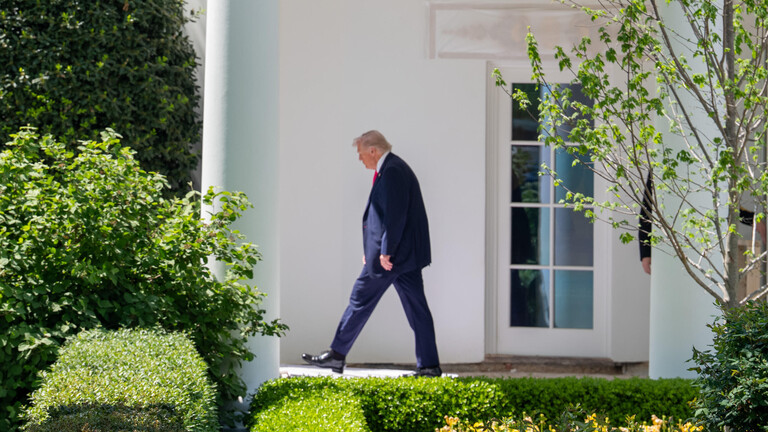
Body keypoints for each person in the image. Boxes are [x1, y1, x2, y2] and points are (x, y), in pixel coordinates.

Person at [302, 130, 442, 377]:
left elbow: (394, 216)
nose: (360, 159)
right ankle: (429, 366)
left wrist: (385, 252)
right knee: (417, 309)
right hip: (402, 256)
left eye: (361, 154)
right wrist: (372, 250)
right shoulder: (392, 168)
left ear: (373, 151)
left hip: (394, 257)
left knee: (360, 298)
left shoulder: (393, 171)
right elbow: (382, 216)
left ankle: (336, 356)